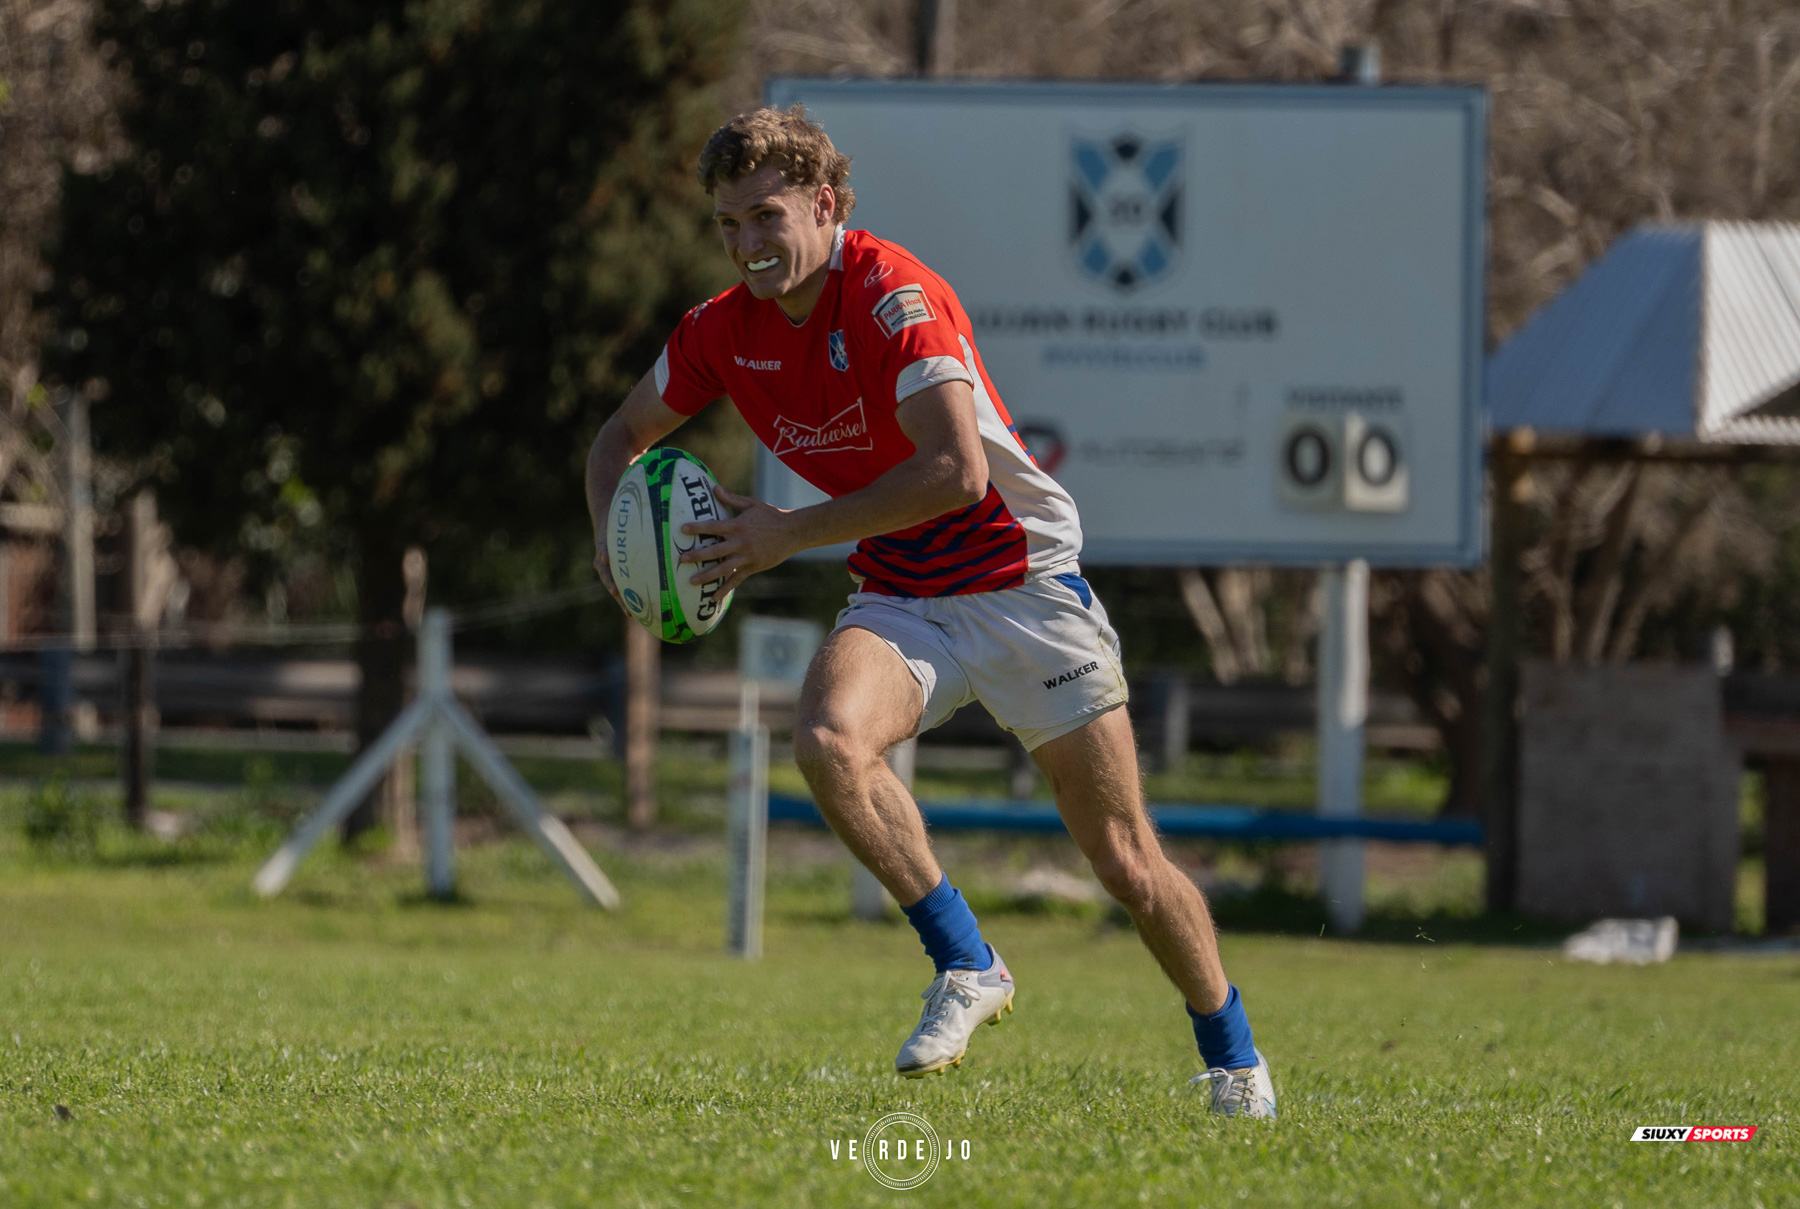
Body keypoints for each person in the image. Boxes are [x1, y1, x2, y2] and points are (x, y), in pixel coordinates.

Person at [583, 106, 1275, 1118]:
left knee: (1126, 861)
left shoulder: (892, 294)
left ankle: (1235, 1059)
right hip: (905, 590)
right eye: (729, 223)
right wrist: (618, 543)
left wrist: (785, 533)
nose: (746, 244)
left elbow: (956, 473)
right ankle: (966, 960)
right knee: (827, 740)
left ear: (825, 204)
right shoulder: (718, 331)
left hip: (1022, 581)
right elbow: (618, 439)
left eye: (767, 217)